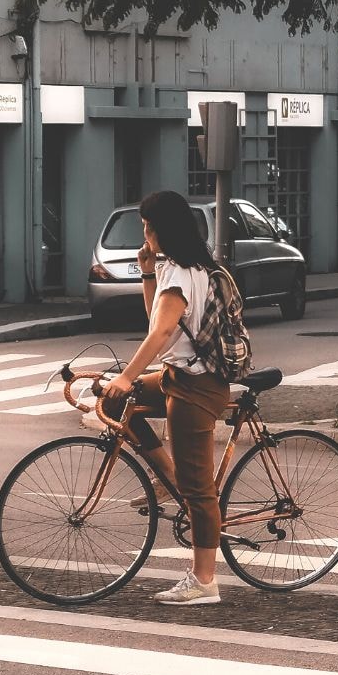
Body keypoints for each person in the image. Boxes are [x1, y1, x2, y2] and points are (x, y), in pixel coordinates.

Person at [102, 190, 231, 606]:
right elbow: (156, 324)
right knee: (118, 405)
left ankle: (205, 581)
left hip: (196, 386)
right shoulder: (180, 268)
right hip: (179, 376)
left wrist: (125, 375)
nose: (144, 236)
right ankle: (166, 479)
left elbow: (158, 336)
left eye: (146, 228)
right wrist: (146, 274)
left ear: (161, 230)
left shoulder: (181, 275)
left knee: (199, 491)